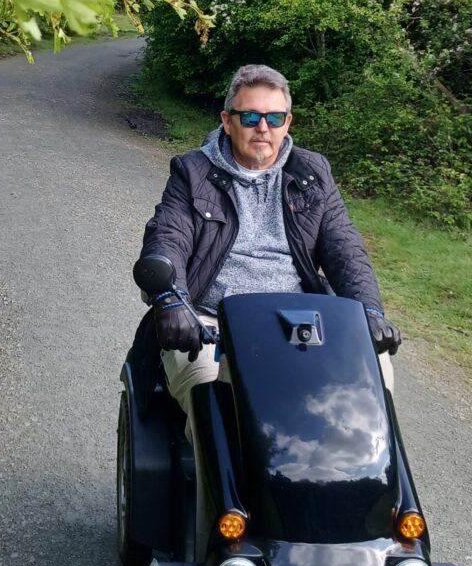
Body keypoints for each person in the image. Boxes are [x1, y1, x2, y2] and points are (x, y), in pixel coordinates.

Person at [132, 62, 400, 418]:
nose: (263, 128)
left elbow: (344, 247)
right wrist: (170, 298)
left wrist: (369, 309)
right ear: (227, 121)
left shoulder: (313, 171)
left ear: (287, 123)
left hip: (303, 322)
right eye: (250, 118)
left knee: (373, 381)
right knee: (212, 401)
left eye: (274, 119)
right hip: (212, 325)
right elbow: (169, 235)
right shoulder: (192, 171)